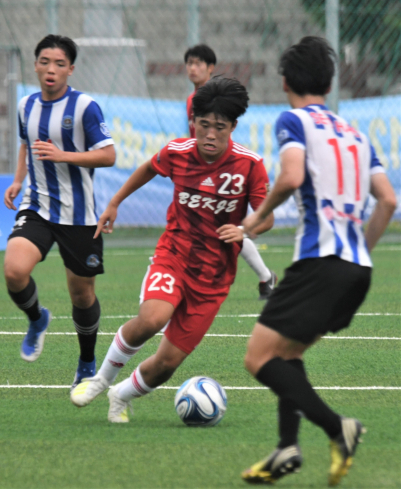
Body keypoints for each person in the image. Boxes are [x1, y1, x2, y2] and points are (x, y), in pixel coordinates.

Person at [239, 37, 397, 486]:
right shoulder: (356, 133)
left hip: (320, 262)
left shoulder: (293, 121)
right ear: (328, 83)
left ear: (285, 81)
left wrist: (256, 219)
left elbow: (291, 176)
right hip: (356, 268)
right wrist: (360, 250)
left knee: (257, 358)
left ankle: (338, 428)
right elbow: (387, 200)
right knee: (287, 353)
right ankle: (287, 447)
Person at [70, 77, 273, 422]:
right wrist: (115, 202)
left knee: (167, 364)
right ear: (193, 122)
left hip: (212, 280)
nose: (209, 134)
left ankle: (120, 396)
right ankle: (101, 379)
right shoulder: (178, 152)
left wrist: (244, 228)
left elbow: (266, 216)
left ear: (233, 127)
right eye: (203, 125)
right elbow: (150, 167)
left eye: (219, 127)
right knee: (152, 319)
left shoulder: (248, 165)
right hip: (173, 257)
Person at [3, 35, 116, 388]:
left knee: (82, 296)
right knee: (14, 271)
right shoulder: (26, 105)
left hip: (79, 215)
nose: (51, 70)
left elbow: (108, 154)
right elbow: (27, 144)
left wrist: (64, 155)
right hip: (37, 206)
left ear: (71, 69)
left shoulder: (85, 107)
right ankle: (37, 320)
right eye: (45, 62)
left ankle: (86, 362)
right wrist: (18, 181)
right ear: (36, 65)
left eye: (59, 64)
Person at [185, 44, 277, 300]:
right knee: (222, 230)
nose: (193, 68)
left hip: (222, 173)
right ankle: (265, 277)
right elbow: (194, 141)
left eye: (198, 64)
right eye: (189, 63)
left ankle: (265, 276)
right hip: (202, 173)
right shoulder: (191, 101)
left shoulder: (217, 100)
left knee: (226, 229)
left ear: (210, 68)